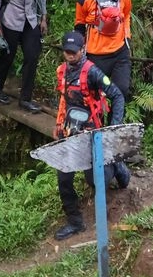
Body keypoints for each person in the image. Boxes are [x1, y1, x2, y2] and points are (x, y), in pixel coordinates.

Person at [51, 31, 129, 240]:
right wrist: (58, 123)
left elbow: (117, 96)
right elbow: (64, 99)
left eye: (74, 52)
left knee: (94, 179)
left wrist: (113, 128)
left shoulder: (93, 72)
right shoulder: (62, 72)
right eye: (67, 52)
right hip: (70, 131)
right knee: (63, 177)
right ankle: (75, 222)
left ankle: (117, 167)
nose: (70, 55)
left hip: (92, 132)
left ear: (83, 49)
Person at [74, 0, 133, 123]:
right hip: (95, 55)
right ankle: (96, 127)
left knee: (121, 90)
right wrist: (78, 50)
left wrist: (127, 36)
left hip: (119, 53)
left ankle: (114, 126)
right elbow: (79, 24)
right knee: (94, 94)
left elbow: (126, 15)